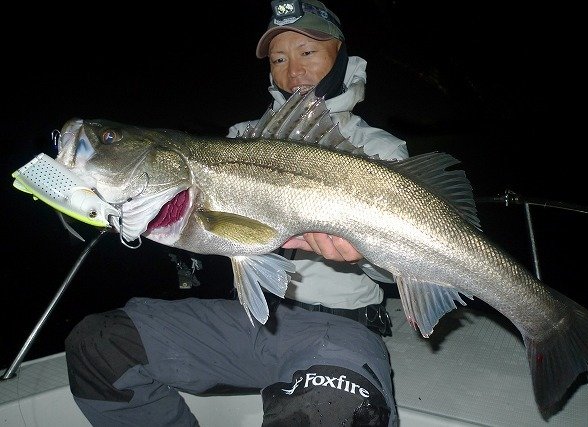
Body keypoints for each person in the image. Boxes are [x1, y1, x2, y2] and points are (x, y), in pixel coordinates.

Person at [64, 1, 409, 425]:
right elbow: (201, 230)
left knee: (328, 410)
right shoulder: (241, 138)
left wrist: (364, 256)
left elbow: (402, 273)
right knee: (99, 343)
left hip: (338, 329)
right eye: (279, 59)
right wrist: (118, 207)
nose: (293, 71)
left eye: (307, 52)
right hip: (247, 322)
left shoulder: (379, 152)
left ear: (340, 56)